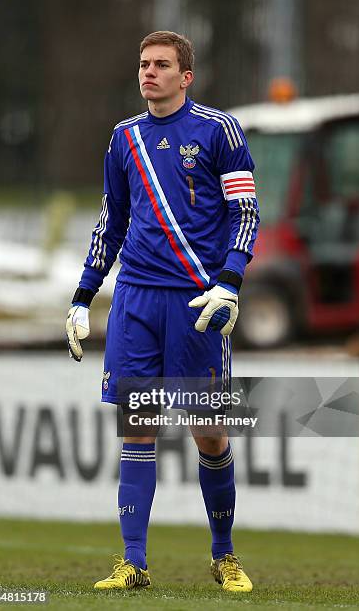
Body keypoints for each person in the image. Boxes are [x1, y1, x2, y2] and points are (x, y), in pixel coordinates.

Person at [66, 30, 259, 593]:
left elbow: (245, 212)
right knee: (138, 428)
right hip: (137, 300)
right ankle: (133, 563)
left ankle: (224, 555)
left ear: (186, 76)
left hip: (197, 303)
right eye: (144, 64)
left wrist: (230, 283)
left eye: (161, 65)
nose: (149, 73)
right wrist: (83, 294)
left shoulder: (219, 130)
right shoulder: (124, 138)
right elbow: (111, 222)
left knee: (209, 433)